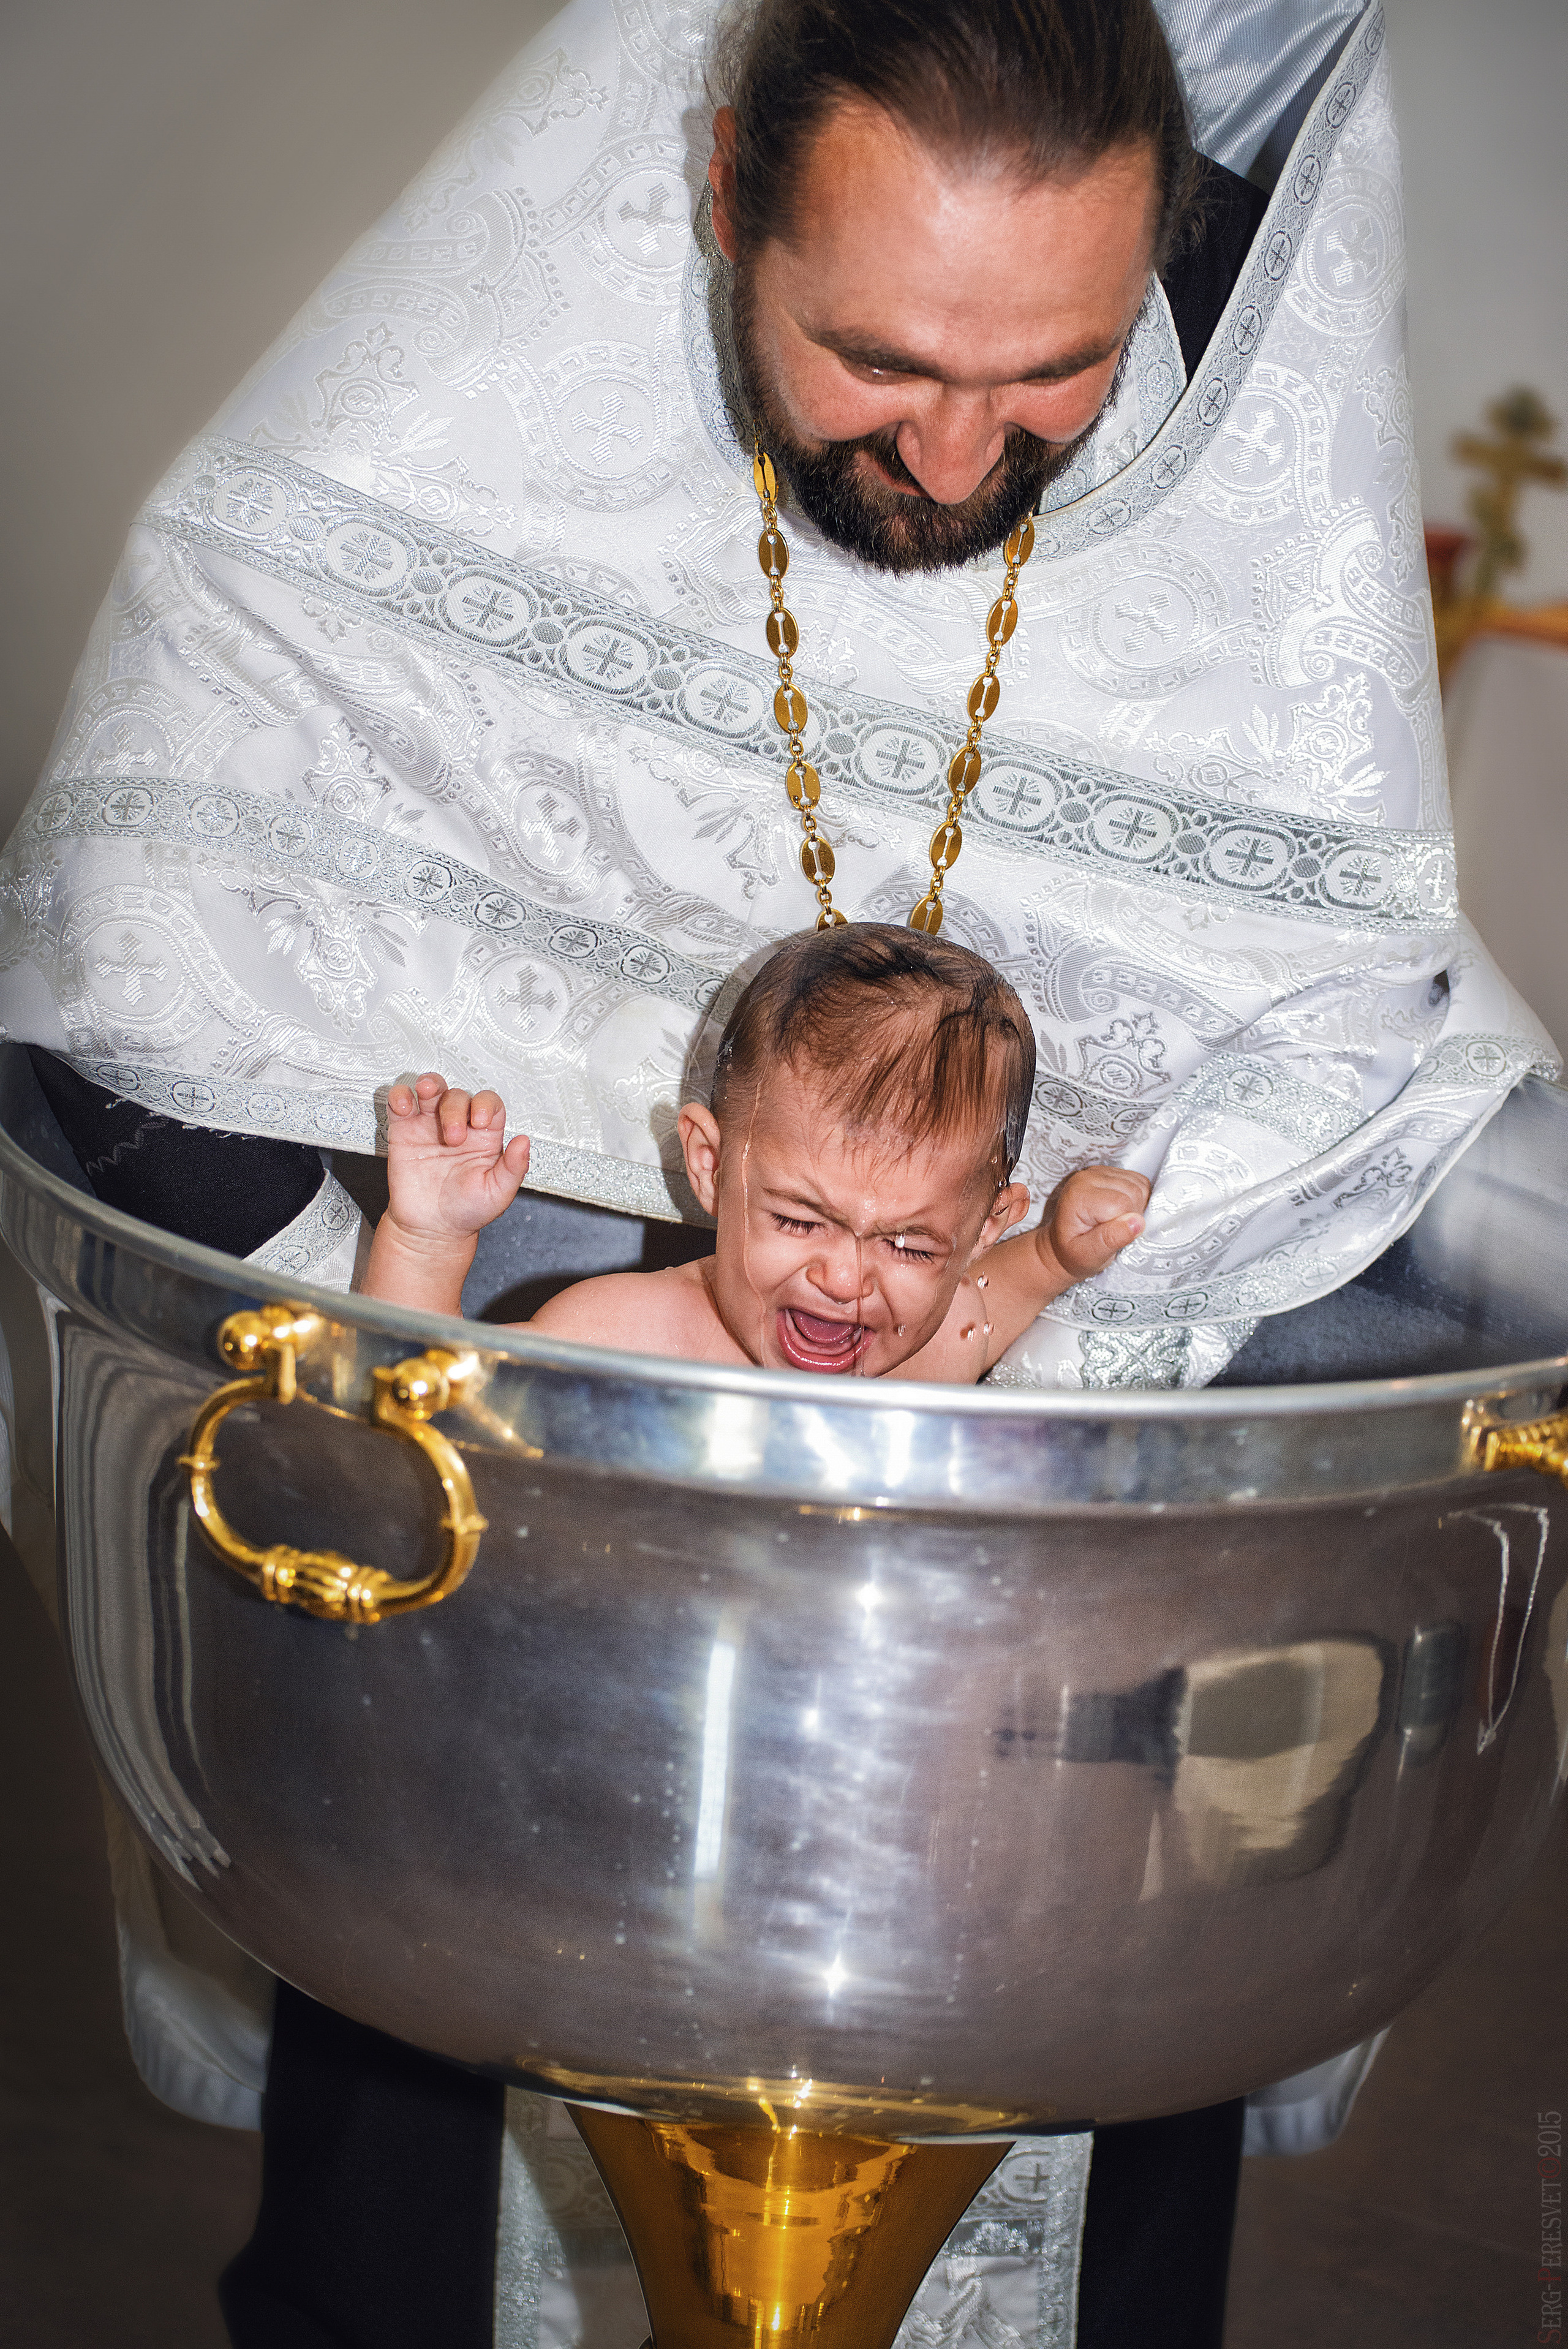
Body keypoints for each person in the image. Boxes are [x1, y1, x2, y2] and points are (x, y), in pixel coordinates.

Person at [2, 0, 1556, 2343]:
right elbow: (146, 896)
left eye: (1057, 373)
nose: (955, 454)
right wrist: (402, 1273)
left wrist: (1089, 1251)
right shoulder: (448, 435)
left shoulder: (1210, 467)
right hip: (513, 1577)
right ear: (730, 176)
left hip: (1040, 1657)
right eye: (876, 358)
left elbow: (1351, 1011)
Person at [363, 926, 1152, 1365]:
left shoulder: (941, 1340)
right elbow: (415, 1406)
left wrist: (1056, 1253)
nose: (844, 1278)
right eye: (800, 1221)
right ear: (709, 1166)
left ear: (985, 1227)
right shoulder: (630, 1338)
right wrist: (426, 1240)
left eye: (910, 1246)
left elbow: (1008, 1289)